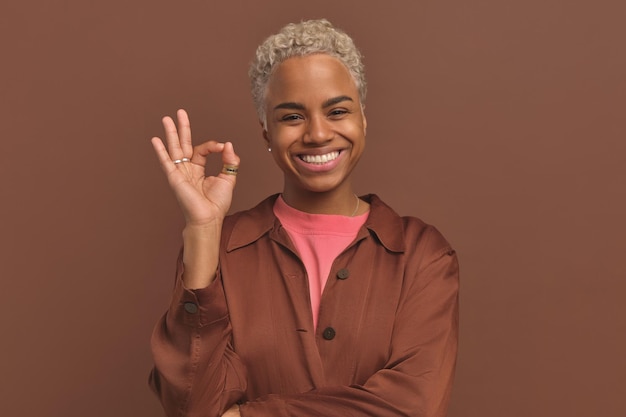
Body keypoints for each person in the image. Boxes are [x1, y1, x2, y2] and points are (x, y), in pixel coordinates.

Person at [149, 19, 459, 417]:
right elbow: (190, 405)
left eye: (337, 111)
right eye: (292, 117)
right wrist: (203, 230)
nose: (317, 134)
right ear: (266, 133)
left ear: (362, 118)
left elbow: (413, 405)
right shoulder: (220, 249)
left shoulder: (422, 255)